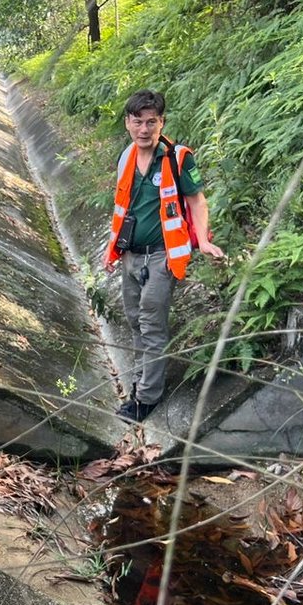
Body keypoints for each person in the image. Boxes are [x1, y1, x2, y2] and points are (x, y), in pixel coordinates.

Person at [102, 89, 225, 422]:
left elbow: (197, 201)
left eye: (151, 122)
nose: (144, 129)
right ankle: (144, 377)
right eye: (138, 121)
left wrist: (203, 239)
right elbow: (123, 207)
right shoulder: (126, 156)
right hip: (130, 254)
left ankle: (146, 398)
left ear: (161, 122)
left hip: (164, 255)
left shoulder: (178, 157)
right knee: (134, 320)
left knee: (151, 321)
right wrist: (112, 248)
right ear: (128, 123)